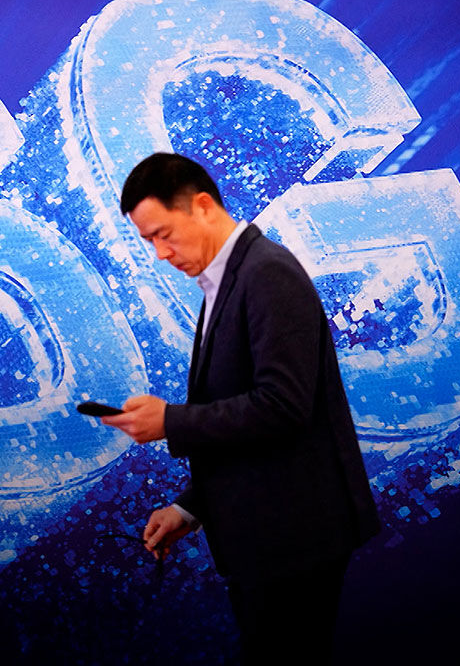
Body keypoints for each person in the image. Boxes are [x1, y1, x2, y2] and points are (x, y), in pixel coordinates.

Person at [101, 153, 380, 664]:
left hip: (294, 542)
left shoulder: (266, 273)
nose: (160, 254)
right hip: (271, 540)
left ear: (204, 207)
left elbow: (283, 406)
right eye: (149, 241)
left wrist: (170, 421)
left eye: (164, 234)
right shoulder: (230, 278)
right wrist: (192, 507)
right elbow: (248, 421)